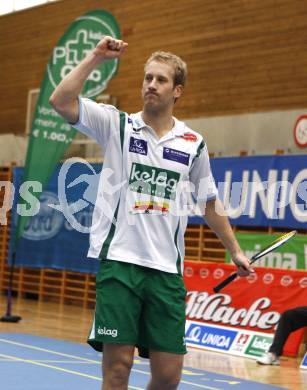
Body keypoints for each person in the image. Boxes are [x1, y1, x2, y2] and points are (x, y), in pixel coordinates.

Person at [49, 36, 253, 390]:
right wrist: (96, 57)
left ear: (178, 91)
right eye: (147, 78)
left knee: (168, 375)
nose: (151, 85)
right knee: (117, 368)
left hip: (166, 271)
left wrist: (234, 250)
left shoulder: (193, 143)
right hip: (120, 263)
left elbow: (209, 202)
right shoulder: (118, 126)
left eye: (160, 80)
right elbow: (61, 100)